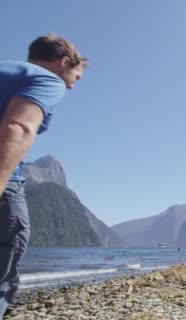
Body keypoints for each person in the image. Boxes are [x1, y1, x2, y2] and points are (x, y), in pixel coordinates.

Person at [0, 34, 87, 317]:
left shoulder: (7, 71)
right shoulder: (47, 79)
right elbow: (18, 127)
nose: (72, 86)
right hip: (7, 180)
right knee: (4, 271)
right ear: (63, 62)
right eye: (75, 76)